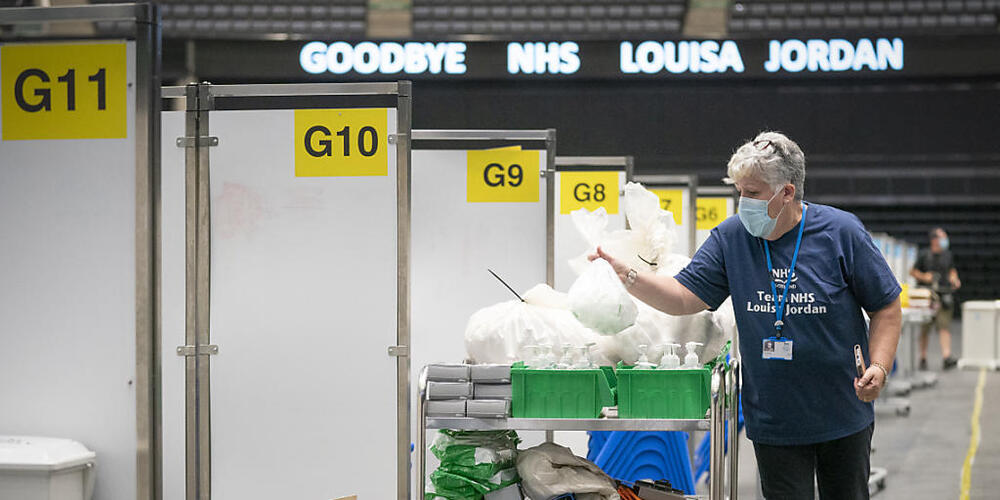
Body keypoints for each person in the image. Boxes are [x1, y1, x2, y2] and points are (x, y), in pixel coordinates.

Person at [592, 131, 901, 499]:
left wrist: (879, 367)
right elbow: (683, 297)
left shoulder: (841, 232)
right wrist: (628, 276)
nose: (743, 202)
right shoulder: (732, 238)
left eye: (752, 192)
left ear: (787, 192)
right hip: (774, 416)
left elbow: (886, 306)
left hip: (842, 410)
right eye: (740, 191)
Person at [910, 227, 961, 370]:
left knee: (944, 326)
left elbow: (952, 270)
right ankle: (923, 357)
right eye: (942, 237)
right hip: (928, 297)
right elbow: (913, 271)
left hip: (944, 295)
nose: (944, 240)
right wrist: (924, 277)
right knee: (925, 329)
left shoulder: (947, 255)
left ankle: (946, 356)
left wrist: (954, 279)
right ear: (934, 240)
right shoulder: (924, 255)